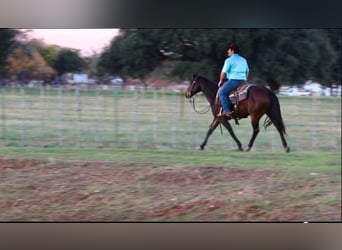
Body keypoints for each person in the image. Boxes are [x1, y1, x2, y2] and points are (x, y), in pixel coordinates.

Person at [217, 43, 249, 117]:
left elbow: (223, 72)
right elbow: (247, 71)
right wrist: (245, 79)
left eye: (228, 50)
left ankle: (227, 111)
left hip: (234, 81)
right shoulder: (244, 60)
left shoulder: (229, 60)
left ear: (232, 50)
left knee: (221, 92)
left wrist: (221, 81)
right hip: (243, 82)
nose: (228, 51)